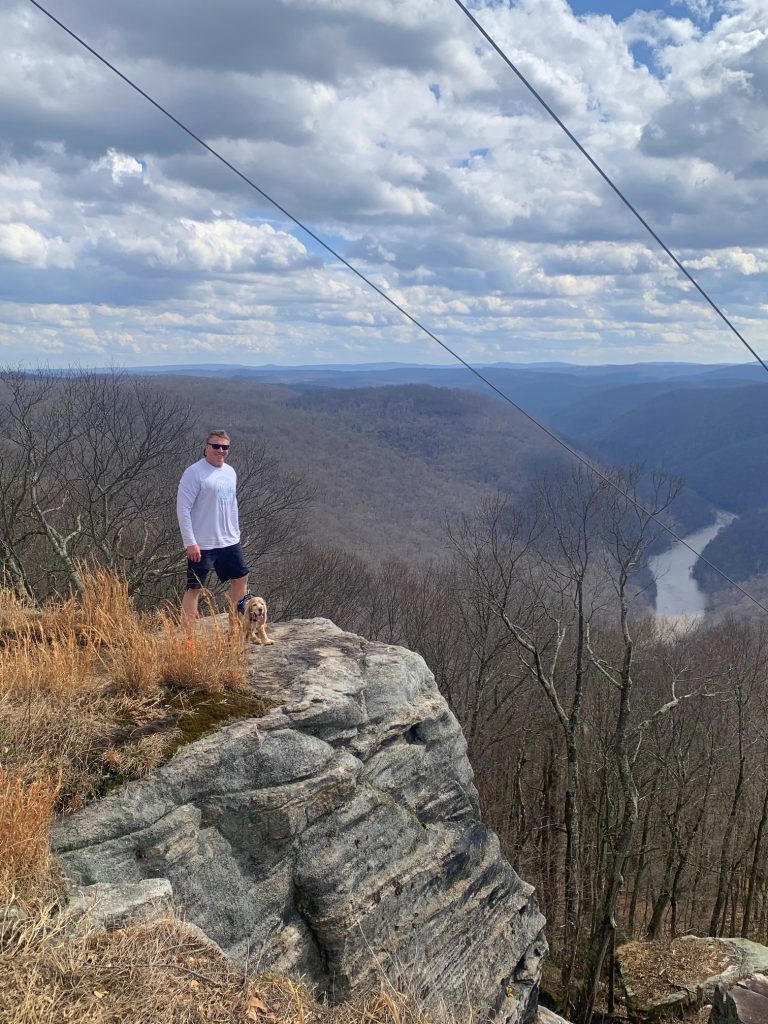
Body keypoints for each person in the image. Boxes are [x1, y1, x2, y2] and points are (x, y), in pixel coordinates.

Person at [176, 429, 249, 625]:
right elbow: (183, 509)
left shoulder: (230, 472)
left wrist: (236, 532)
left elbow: (232, 505)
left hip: (229, 540)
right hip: (203, 543)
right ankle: (188, 636)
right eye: (215, 446)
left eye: (225, 447)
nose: (220, 450)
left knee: (241, 577)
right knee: (195, 588)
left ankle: (236, 624)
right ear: (206, 448)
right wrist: (190, 542)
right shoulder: (194, 472)